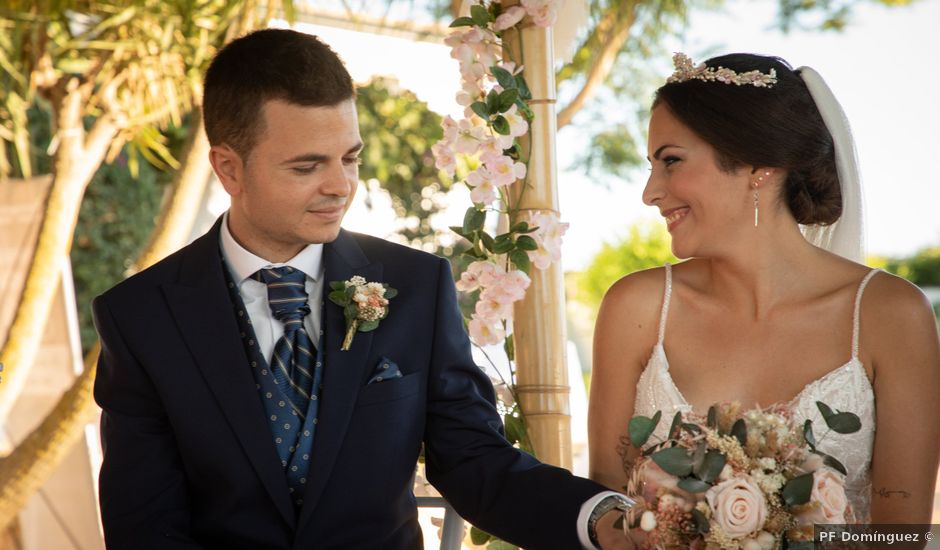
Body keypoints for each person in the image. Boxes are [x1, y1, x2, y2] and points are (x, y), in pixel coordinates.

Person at [93, 28, 634, 549]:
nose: (340, 186)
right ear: (229, 169)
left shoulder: (417, 287)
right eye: (307, 166)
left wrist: (601, 520)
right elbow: (145, 524)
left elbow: (475, 460)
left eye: (349, 158)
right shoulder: (140, 317)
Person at [589, 52, 940, 537]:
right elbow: (608, 503)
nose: (651, 192)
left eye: (671, 161)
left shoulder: (890, 315)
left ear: (760, 165)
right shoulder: (638, 306)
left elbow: (901, 535)